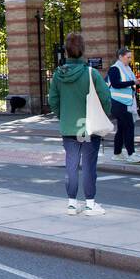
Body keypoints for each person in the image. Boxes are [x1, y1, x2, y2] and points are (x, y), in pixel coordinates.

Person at [48, 32, 110, 216]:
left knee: (71, 165)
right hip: (89, 126)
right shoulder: (91, 73)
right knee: (89, 165)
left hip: (69, 126)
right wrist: (103, 115)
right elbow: (106, 98)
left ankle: (72, 203)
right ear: (82, 50)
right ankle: (90, 204)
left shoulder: (58, 75)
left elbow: (53, 100)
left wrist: (63, 115)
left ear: (66, 51)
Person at [107, 48, 140, 162]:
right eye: (128, 57)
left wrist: (138, 84)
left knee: (122, 129)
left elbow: (130, 85)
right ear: (121, 56)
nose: (130, 59)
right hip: (118, 103)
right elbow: (116, 84)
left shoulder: (127, 68)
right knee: (129, 127)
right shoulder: (115, 68)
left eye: (130, 57)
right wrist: (133, 82)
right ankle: (131, 154)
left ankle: (117, 154)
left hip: (125, 103)